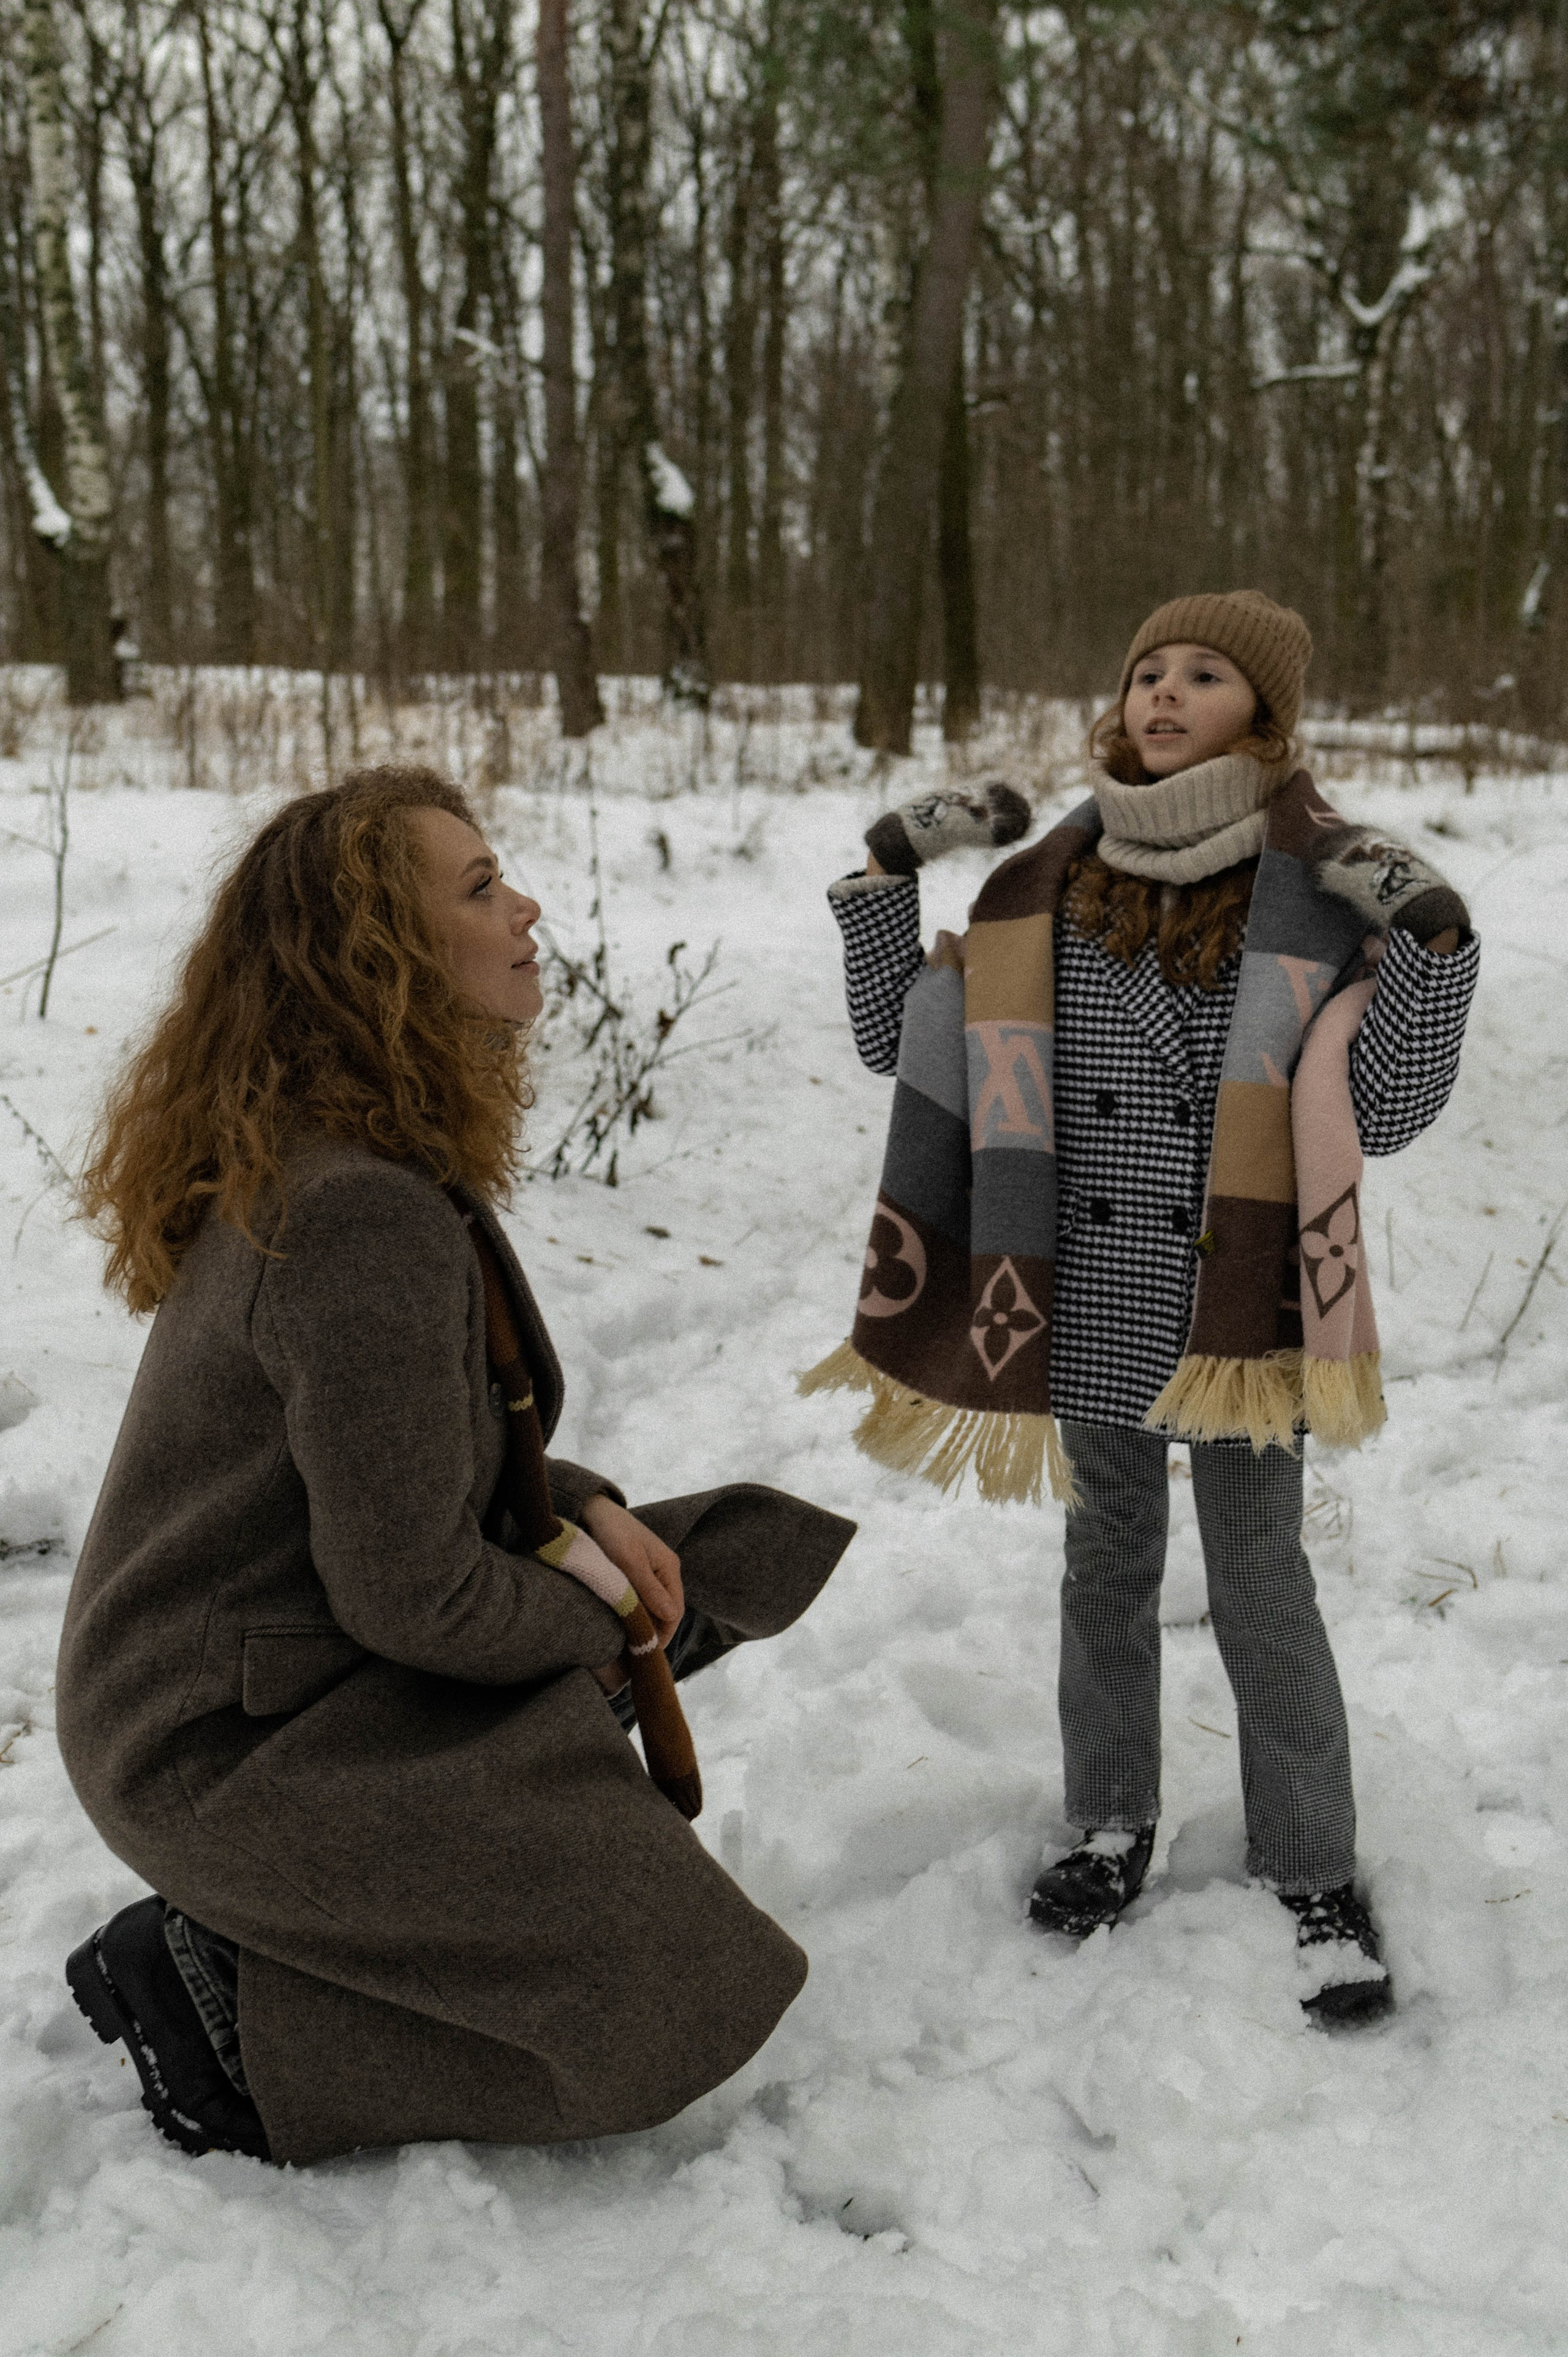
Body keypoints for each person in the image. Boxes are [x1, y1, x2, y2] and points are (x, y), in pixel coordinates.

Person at [59, 764, 854, 2163]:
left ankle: (485, 1814)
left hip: (284, 1648)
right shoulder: (354, 1213)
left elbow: (403, 1449)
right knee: (675, 1994)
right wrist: (613, 1632)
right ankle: (215, 2001)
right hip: (222, 1737)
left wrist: (584, 1508)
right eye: (481, 889)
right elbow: (413, 1595)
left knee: (716, 1550)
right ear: (377, 958)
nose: (525, 908)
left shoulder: (352, 1156)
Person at [808, 591, 1478, 2023]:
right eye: (1146, 670)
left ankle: (1310, 1863)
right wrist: (885, 872)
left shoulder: (1319, 887)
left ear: (1264, 714)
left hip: (1237, 1308)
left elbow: (1385, 1107)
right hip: (1081, 1291)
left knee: (1258, 1580)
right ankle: (1106, 1821)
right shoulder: (1046, 881)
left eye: (1204, 673)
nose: (1162, 692)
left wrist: (1431, 940)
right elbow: (898, 1040)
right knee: (1103, 1562)